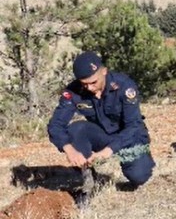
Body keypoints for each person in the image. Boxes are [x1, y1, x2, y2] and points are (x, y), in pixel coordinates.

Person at [47, 52, 155, 206]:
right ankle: (88, 179)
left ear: (104, 71)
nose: (89, 88)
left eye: (93, 82)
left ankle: (142, 161)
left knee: (139, 176)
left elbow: (133, 126)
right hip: (102, 135)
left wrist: (108, 151)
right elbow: (55, 125)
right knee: (76, 129)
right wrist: (69, 149)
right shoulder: (73, 91)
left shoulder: (124, 86)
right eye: (84, 84)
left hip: (129, 137)